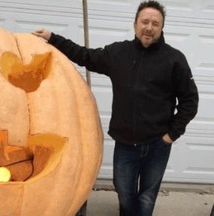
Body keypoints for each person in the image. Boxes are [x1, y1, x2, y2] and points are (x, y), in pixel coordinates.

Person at [33, 0, 199, 215]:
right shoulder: (118, 53)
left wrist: (172, 134)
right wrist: (52, 38)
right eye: (145, 21)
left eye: (155, 23)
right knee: (125, 193)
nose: (149, 27)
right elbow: (85, 55)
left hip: (157, 144)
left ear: (161, 27)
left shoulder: (174, 59)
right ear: (135, 24)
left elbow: (190, 100)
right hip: (125, 144)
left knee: (147, 196)